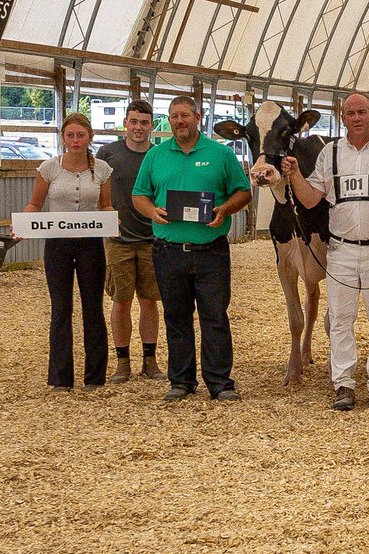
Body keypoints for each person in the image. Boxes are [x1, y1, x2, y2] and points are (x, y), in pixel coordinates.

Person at [281, 93, 369, 411]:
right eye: (350, 113)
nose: (356, 118)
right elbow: (310, 198)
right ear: (342, 118)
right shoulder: (330, 154)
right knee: (340, 320)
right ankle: (343, 384)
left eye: (362, 112)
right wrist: (293, 175)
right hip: (341, 250)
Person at [132, 95, 251, 402]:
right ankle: (181, 381)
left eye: (185, 115)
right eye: (174, 116)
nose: (179, 121)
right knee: (176, 317)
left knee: (215, 317)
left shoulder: (220, 154)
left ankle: (220, 383)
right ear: (168, 120)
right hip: (168, 250)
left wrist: (224, 209)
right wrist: (152, 212)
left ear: (197, 118)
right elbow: (139, 195)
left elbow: (243, 192)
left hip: (210, 250)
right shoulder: (156, 155)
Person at [23, 114, 113, 391]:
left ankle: (95, 377)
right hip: (58, 244)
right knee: (60, 309)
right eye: (70, 135)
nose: (75, 140)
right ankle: (61, 378)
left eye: (80, 135)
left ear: (89, 137)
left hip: (90, 243)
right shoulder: (49, 168)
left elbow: (106, 205)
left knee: (93, 309)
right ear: (63, 138)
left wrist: (114, 219)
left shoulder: (101, 169)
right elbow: (35, 205)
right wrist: (22, 224)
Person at [95, 99, 165, 383]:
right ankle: (122, 361)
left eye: (144, 123)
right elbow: (97, 189)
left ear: (152, 126)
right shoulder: (108, 153)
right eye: (134, 122)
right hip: (118, 239)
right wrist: (104, 216)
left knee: (150, 301)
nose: (139, 127)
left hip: (152, 238)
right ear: (126, 123)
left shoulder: (160, 155)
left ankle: (150, 360)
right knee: (120, 301)